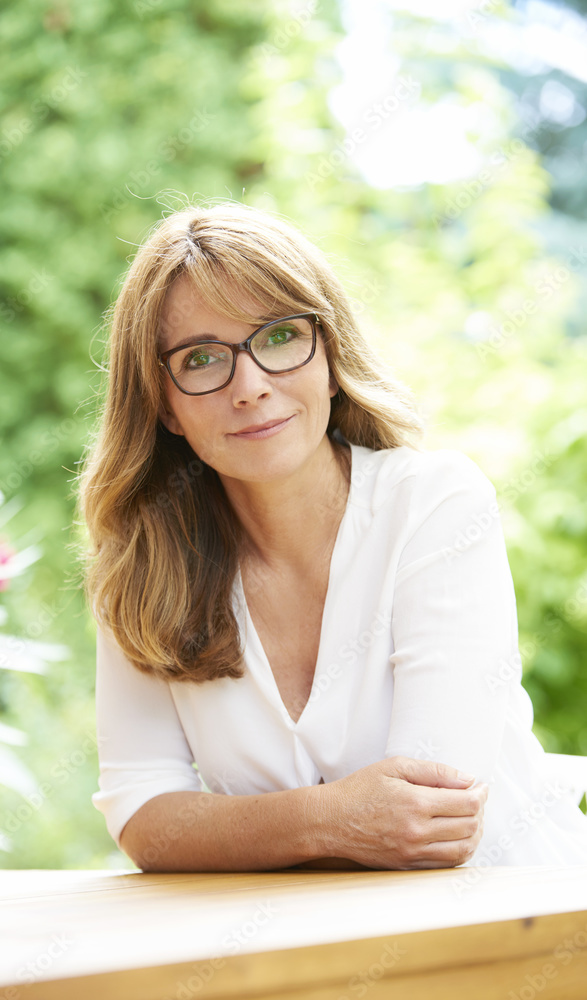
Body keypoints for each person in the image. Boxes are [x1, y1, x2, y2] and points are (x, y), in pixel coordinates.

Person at [78, 199, 587, 872]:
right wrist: (327, 818)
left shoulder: (433, 505)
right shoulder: (142, 563)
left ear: (328, 349)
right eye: (202, 358)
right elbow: (143, 814)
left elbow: (430, 820)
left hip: (516, 929)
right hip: (303, 957)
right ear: (162, 404)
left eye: (280, 337)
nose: (250, 386)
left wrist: (237, 831)